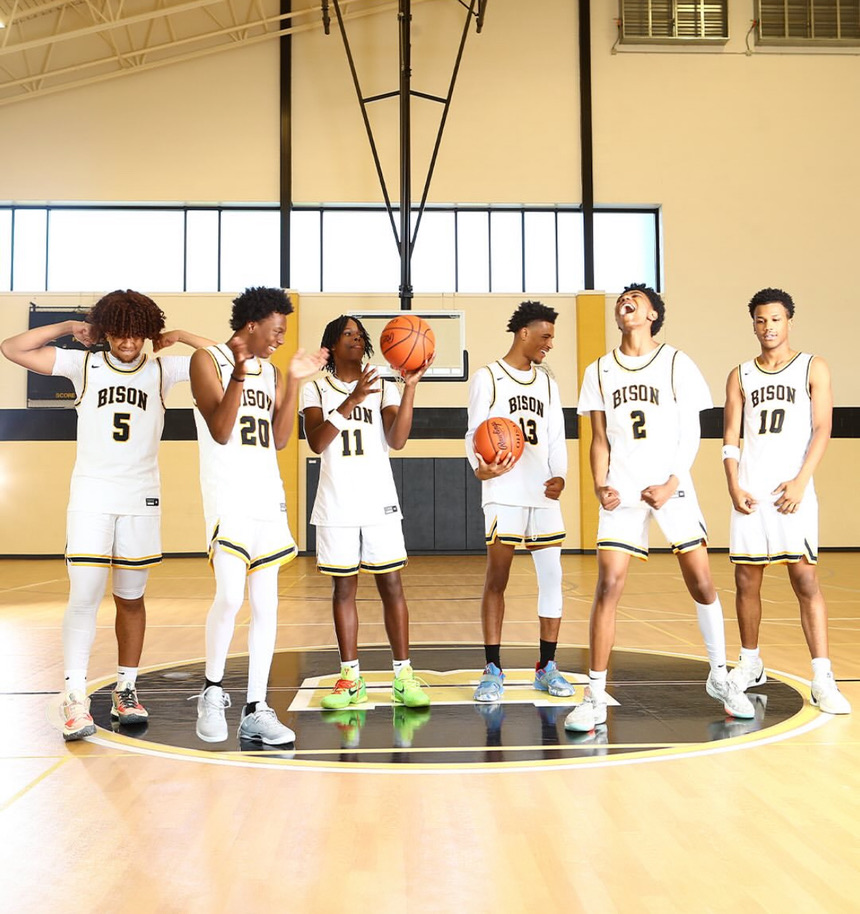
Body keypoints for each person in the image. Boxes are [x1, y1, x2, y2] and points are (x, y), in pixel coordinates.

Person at [0, 290, 210, 741]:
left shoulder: (162, 370)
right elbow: (12, 348)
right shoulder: (85, 365)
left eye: (137, 333)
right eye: (119, 332)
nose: (128, 342)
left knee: (131, 598)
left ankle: (126, 689)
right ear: (106, 331)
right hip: (92, 496)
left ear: (147, 332)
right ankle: (74, 696)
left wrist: (184, 336)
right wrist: (67, 328)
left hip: (142, 498)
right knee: (85, 595)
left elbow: (226, 361)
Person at [566, 283, 754, 732]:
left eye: (635, 298)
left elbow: (692, 432)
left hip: (672, 483)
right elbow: (599, 438)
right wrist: (599, 484)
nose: (625, 302)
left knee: (701, 580)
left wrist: (672, 481)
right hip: (623, 487)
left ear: (652, 314)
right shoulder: (599, 370)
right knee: (608, 584)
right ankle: (594, 694)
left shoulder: (676, 362)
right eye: (621, 299)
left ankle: (720, 675)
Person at [191, 287, 327, 745]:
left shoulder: (270, 369)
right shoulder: (207, 360)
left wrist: (292, 381)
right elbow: (221, 428)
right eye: (277, 330)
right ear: (252, 324)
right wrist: (238, 375)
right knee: (230, 597)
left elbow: (282, 438)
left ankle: (256, 707)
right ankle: (212, 692)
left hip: (266, 494)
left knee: (267, 606)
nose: (280, 339)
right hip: (227, 494)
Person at [723, 288, 850, 714]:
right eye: (760, 320)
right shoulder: (740, 374)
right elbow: (730, 438)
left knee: (806, 581)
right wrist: (732, 484)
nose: (768, 327)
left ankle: (822, 676)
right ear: (753, 323)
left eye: (775, 319)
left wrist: (800, 482)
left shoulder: (813, 367)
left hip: (794, 492)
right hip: (751, 491)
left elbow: (823, 429)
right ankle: (751, 662)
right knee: (746, 581)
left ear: (788, 321)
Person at [300, 315, 431, 712]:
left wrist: (409, 390)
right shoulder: (315, 387)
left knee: (392, 585)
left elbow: (398, 439)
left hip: (378, 501)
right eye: (348, 335)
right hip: (336, 501)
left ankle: (403, 676)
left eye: (360, 335)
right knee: (344, 589)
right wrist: (352, 400)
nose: (356, 340)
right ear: (332, 345)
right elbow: (317, 442)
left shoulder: (384, 384)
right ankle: (350, 677)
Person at [465, 300, 573, 703]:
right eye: (545, 336)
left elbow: (556, 437)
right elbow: (473, 432)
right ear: (523, 333)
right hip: (504, 492)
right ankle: (492, 668)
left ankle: (547, 667)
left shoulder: (547, 382)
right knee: (498, 578)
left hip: (542, 492)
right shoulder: (488, 378)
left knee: (552, 578)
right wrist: (481, 468)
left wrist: (560, 475)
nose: (549, 344)